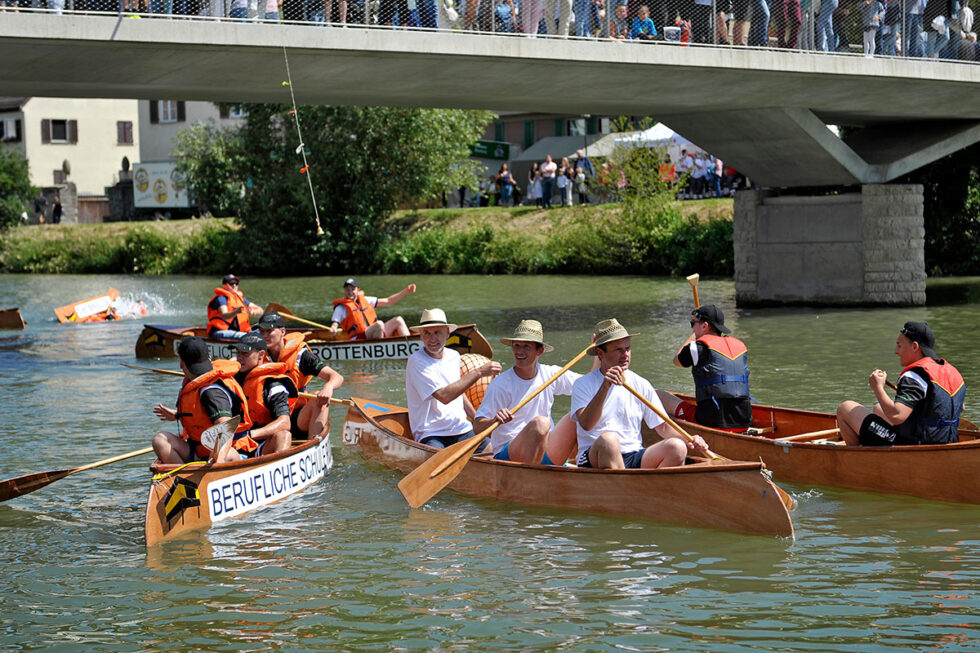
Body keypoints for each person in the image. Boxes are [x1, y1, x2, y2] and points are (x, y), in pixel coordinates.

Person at [571, 319, 708, 469]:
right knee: (609, 440)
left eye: (628, 349)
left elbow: (662, 427)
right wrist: (605, 387)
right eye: (618, 350)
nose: (625, 355)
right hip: (595, 455)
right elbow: (586, 424)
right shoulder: (583, 383)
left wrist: (690, 438)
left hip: (632, 454)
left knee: (677, 447)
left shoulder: (640, 383)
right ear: (600, 353)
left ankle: (650, 490)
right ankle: (629, 488)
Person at [473, 320, 586, 465]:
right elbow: (477, 427)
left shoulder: (551, 374)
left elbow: (587, 385)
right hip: (510, 455)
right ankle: (534, 476)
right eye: (517, 346)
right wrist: (495, 420)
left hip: (544, 450)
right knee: (541, 423)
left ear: (540, 351)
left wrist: (599, 355)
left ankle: (582, 465)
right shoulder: (500, 384)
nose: (519, 352)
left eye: (526, 346)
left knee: (577, 415)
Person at [836, 322, 966, 446]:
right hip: (946, 440)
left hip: (915, 445)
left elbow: (897, 416)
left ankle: (856, 460)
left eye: (899, 345)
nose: (895, 351)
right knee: (878, 408)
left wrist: (878, 387)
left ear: (915, 346)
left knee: (845, 408)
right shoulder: (951, 372)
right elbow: (959, 406)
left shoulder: (914, 376)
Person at [406, 308, 502, 449]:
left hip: (462, 429)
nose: (432, 339)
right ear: (420, 336)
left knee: (492, 451)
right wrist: (479, 372)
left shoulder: (454, 356)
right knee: (441, 466)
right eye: (427, 333)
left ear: (447, 333)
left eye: (437, 332)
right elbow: (444, 396)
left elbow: (459, 392)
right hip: (431, 433)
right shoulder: (416, 361)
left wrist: (476, 418)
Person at [151, 336, 254, 465]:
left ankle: (203, 476)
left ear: (181, 363)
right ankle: (183, 479)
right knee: (160, 440)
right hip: (198, 452)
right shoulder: (192, 383)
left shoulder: (211, 392)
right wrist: (177, 415)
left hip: (231, 453)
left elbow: (227, 427)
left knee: (226, 454)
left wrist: (218, 460)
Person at [657, 305, 753, 430]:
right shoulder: (740, 346)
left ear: (704, 326)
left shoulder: (698, 347)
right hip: (744, 419)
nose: (692, 327)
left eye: (693, 323)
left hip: (712, 421)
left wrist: (694, 335)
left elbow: (677, 360)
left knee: (656, 395)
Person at [257, 311, 344, 440]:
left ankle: (314, 443)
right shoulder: (256, 355)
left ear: (282, 332)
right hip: (269, 418)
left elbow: (336, 377)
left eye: (269, 331)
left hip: (296, 418)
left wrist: (328, 387)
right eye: (262, 331)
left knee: (316, 397)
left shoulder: (301, 356)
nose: (265, 336)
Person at [232, 333, 297, 457]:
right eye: (238, 353)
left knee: (284, 435)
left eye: (245, 354)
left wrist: (250, 435)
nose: (239, 358)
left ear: (261, 355)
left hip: (262, 446)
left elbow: (285, 423)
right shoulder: (232, 380)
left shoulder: (274, 384)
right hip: (234, 445)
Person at [330, 278, 416, 340]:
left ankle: (409, 345)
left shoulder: (366, 300)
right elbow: (335, 323)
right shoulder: (341, 307)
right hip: (359, 338)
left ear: (358, 290)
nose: (350, 292)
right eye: (347, 289)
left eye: (352, 289)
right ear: (344, 291)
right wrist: (333, 328)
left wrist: (406, 291)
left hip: (375, 332)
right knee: (379, 324)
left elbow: (389, 301)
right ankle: (382, 348)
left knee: (398, 320)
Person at [206, 274, 263, 341]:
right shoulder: (221, 299)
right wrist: (236, 312)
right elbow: (225, 315)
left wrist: (254, 312)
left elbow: (261, 310)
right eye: (231, 283)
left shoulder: (241, 298)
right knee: (248, 336)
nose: (234, 285)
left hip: (240, 331)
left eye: (236, 283)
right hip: (219, 331)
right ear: (224, 285)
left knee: (264, 332)